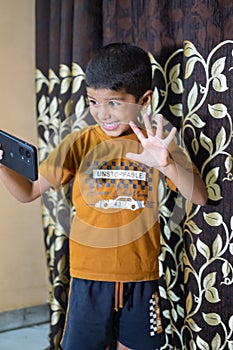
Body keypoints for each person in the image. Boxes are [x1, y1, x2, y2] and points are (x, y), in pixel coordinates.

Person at [0, 43, 208, 350]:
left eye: (114, 103)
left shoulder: (159, 144)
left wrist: (166, 163)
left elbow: (200, 197)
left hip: (141, 278)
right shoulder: (79, 142)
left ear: (144, 100)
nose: (102, 113)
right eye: (93, 102)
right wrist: (3, 166)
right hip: (88, 278)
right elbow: (29, 192)